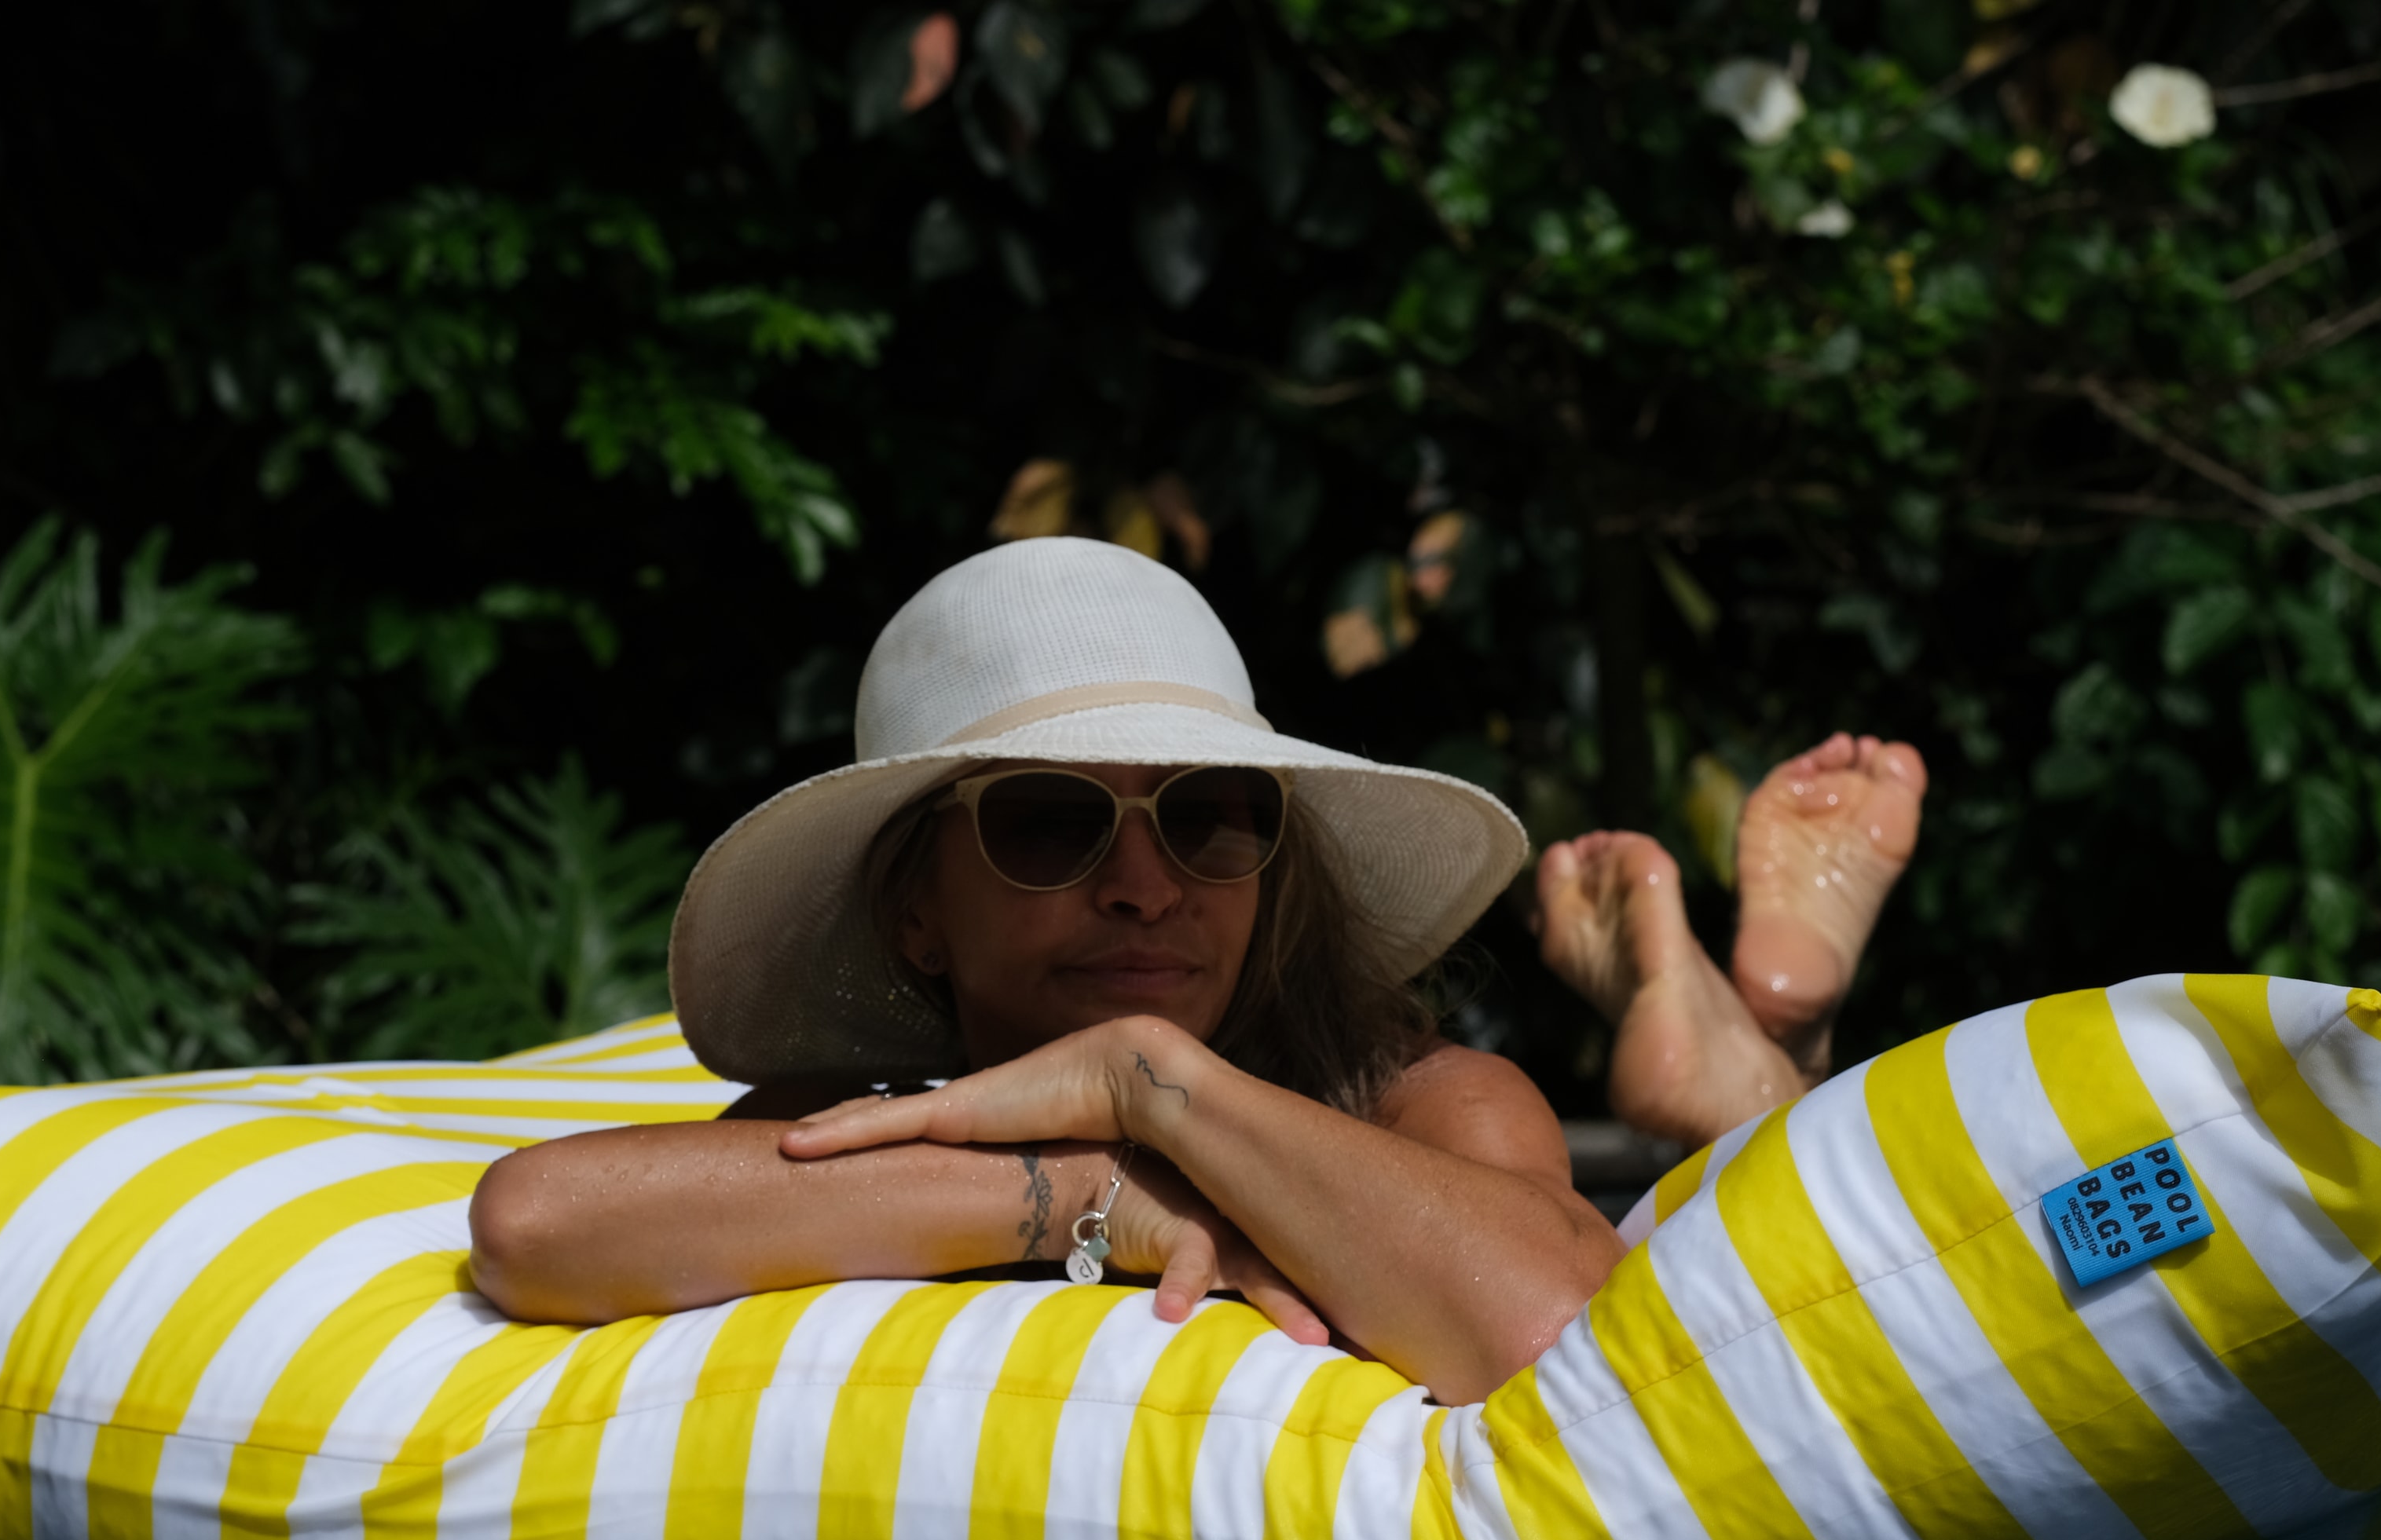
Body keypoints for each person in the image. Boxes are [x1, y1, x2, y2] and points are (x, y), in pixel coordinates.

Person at [470, 539, 1923, 1405]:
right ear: (920, 912)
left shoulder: (1422, 1105)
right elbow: (538, 1224)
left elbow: (1563, 1337)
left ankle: (1766, 1049)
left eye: (1211, 816)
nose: (1144, 882)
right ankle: (1757, 1054)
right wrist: (1102, 1190)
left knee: (1771, 1284)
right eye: (1051, 820)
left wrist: (1153, 1082)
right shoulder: (869, 1108)